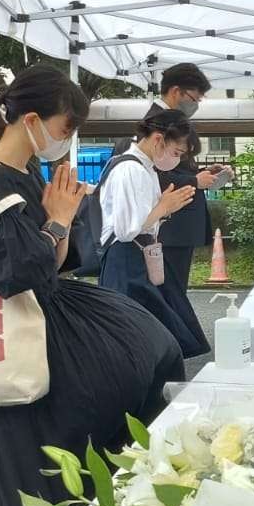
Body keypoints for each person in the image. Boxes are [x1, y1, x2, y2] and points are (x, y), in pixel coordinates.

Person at [0, 64, 186, 506]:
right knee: (20, 489)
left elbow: (54, 259)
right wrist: (59, 220)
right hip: (25, 344)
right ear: (36, 120)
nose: (67, 140)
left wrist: (59, 221)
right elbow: (14, 270)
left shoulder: (23, 175)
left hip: (48, 329)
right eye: (67, 126)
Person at [97, 107, 210, 357]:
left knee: (148, 339)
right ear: (158, 139)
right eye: (176, 152)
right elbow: (127, 230)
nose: (177, 159)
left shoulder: (144, 168)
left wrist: (163, 208)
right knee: (138, 340)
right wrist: (163, 208)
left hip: (137, 259)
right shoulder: (131, 169)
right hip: (127, 261)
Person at [148, 63, 226, 292]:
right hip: (169, 226)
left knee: (174, 290)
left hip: (177, 226)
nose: (196, 106)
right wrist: (194, 181)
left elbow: (174, 166)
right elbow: (153, 175)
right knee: (170, 292)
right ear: (175, 92)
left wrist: (202, 174)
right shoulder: (157, 122)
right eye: (194, 99)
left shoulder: (168, 120)